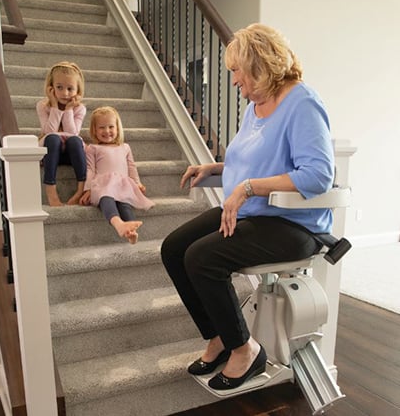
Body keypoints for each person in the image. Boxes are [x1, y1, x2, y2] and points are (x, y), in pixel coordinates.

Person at [160, 23, 335, 391]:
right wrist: (219, 169)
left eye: (237, 71)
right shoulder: (254, 108)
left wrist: (248, 187)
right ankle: (220, 336)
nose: (234, 80)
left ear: (259, 63)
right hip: (256, 214)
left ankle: (245, 350)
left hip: (295, 225)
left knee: (202, 257)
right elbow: (260, 161)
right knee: (174, 249)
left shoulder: (302, 102)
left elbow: (318, 174)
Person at [79, 106, 154, 244]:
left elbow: (131, 166)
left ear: (117, 128)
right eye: (101, 127)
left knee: (125, 204)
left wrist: (137, 183)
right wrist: (87, 189)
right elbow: (90, 169)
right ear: (94, 130)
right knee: (106, 199)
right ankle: (118, 224)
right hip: (103, 184)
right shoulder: (93, 148)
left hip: (122, 184)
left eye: (111, 127)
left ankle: (131, 232)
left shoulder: (125, 147)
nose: (107, 131)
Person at [37, 61, 87, 206]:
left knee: (75, 141)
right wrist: (54, 106)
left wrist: (68, 109)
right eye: (59, 87)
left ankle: (80, 190)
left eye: (70, 88)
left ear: (77, 91)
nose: (65, 93)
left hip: (71, 154)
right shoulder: (43, 106)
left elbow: (72, 132)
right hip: (51, 153)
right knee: (52, 138)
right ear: (51, 88)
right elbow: (49, 131)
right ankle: (51, 191)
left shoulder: (79, 109)